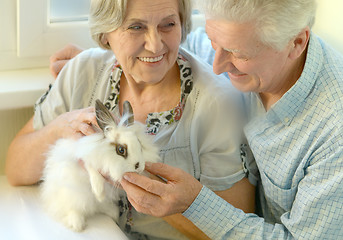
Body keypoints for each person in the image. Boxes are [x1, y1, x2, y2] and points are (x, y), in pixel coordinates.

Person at [43, 0, 343, 238]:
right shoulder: (240, 41)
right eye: (214, 42)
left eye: (237, 53)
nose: (217, 66)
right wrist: (112, 59)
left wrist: (193, 205)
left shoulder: (334, 133)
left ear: (296, 43)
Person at [5, 0, 256, 239]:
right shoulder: (82, 73)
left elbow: (237, 231)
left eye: (168, 24)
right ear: (106, 33)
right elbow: (15, 169)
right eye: (136, 27)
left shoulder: (216, 106)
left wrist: (150, 189)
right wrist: (60, 128)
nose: (155, 45)